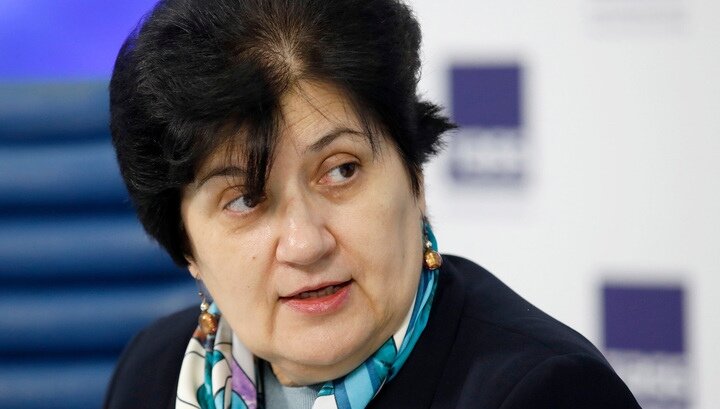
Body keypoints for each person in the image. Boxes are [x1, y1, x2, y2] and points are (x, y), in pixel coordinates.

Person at [104, 0, 640, 408]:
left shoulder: (543, 392)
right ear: (186, 245)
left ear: (415, 176)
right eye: (245, 199)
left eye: (341, 171)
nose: (305, 243)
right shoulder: (153, 373)